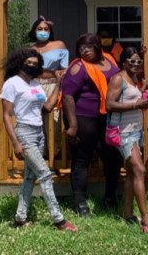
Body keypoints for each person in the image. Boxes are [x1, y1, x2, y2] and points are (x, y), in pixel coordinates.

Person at [0, 48, 77, 231]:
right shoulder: (12, 83)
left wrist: (58, 83)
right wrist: (15, 142)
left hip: (39, 132)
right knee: (45, 174)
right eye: (29, 63)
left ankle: (19, 218)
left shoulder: (35, 84)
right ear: (20, 63)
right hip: (24, 133)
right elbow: (6, 115)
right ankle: (59, 220)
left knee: (29, 177)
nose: (32, 66)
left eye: (35, 64)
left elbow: (48, 107)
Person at [61, 33, 123, 217]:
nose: (85, 51)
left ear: (98, 46)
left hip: (107, 118)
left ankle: (110, 198)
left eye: (88, 47)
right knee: (81, 160)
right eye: (81, 48)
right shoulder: (78, 67)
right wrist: (72, 125)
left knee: (112, 158)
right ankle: (80, 203)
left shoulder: (110, 61)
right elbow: (67, 96)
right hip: (83, 119)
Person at [105, 47, 148, 234]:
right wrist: (137, 103)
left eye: (138, 61)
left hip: (136, 131)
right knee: (140, 170)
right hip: (123, 132)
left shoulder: (133, 79)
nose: (136, 64)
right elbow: (109, 104)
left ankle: (127, 214)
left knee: (131, 174)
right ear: (124, 62)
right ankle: (146, 220)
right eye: (132, 61)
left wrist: (141, 92)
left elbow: (129, 99)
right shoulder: (118, 78)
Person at [28, 15, 69, 156]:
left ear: (50, 31)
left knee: (54, 119)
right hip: (34, 85)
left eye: (46, 29)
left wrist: (58, 76)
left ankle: (54, 154)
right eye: (39, 29)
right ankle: (39, 153)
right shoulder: (30, 48)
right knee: (35, 119)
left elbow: (64, 69)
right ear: (34, 31)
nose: (43, 31)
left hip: (53, 85)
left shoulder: (59, 45)